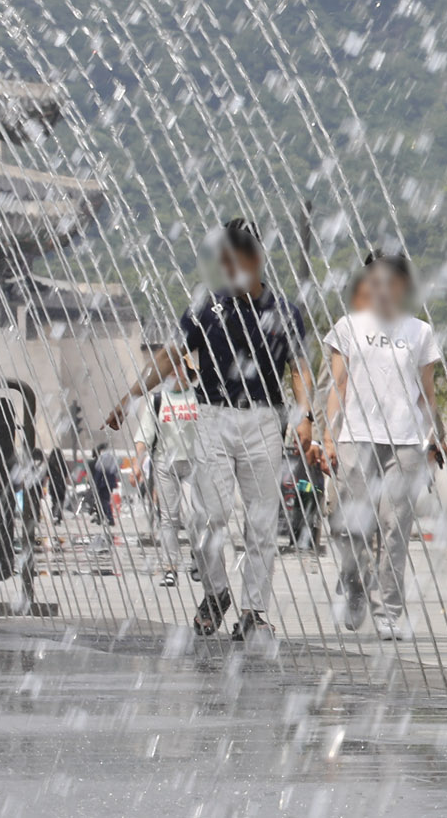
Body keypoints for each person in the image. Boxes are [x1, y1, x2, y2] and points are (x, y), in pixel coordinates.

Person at [106, 217, 316, 640]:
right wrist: (130, 396)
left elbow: (299, 369)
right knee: (207, 517)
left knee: (260, 522)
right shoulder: (207, 306)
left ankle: (254, 610)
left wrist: (306, 415)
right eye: (223, 260)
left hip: (263, 417)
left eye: (235, 259)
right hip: (213, 416)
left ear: (256, 259)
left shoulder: (285, 311)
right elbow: (169, 357)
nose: (228, 269)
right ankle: (217, 592)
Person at [322, 250, 445, 640]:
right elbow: (337, 385)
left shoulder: (419, 331)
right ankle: (354, 584)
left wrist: (434, 438)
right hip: (354, 437)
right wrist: (327, 435)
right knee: (350, 525)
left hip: (405, 441)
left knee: (395, 527)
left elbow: (427, 392)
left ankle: (389, 608)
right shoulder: (347, 327)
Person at [131, 369, 201, 587]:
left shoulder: (200, 397)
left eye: (178, 366)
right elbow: (145, 433)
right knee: (169, 518)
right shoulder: (158, 400)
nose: (174, 372)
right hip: (165, 463)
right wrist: (137, 463)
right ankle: (170, 568)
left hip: (194, 463)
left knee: (194, 515)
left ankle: (197, 559)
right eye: (169, 368)